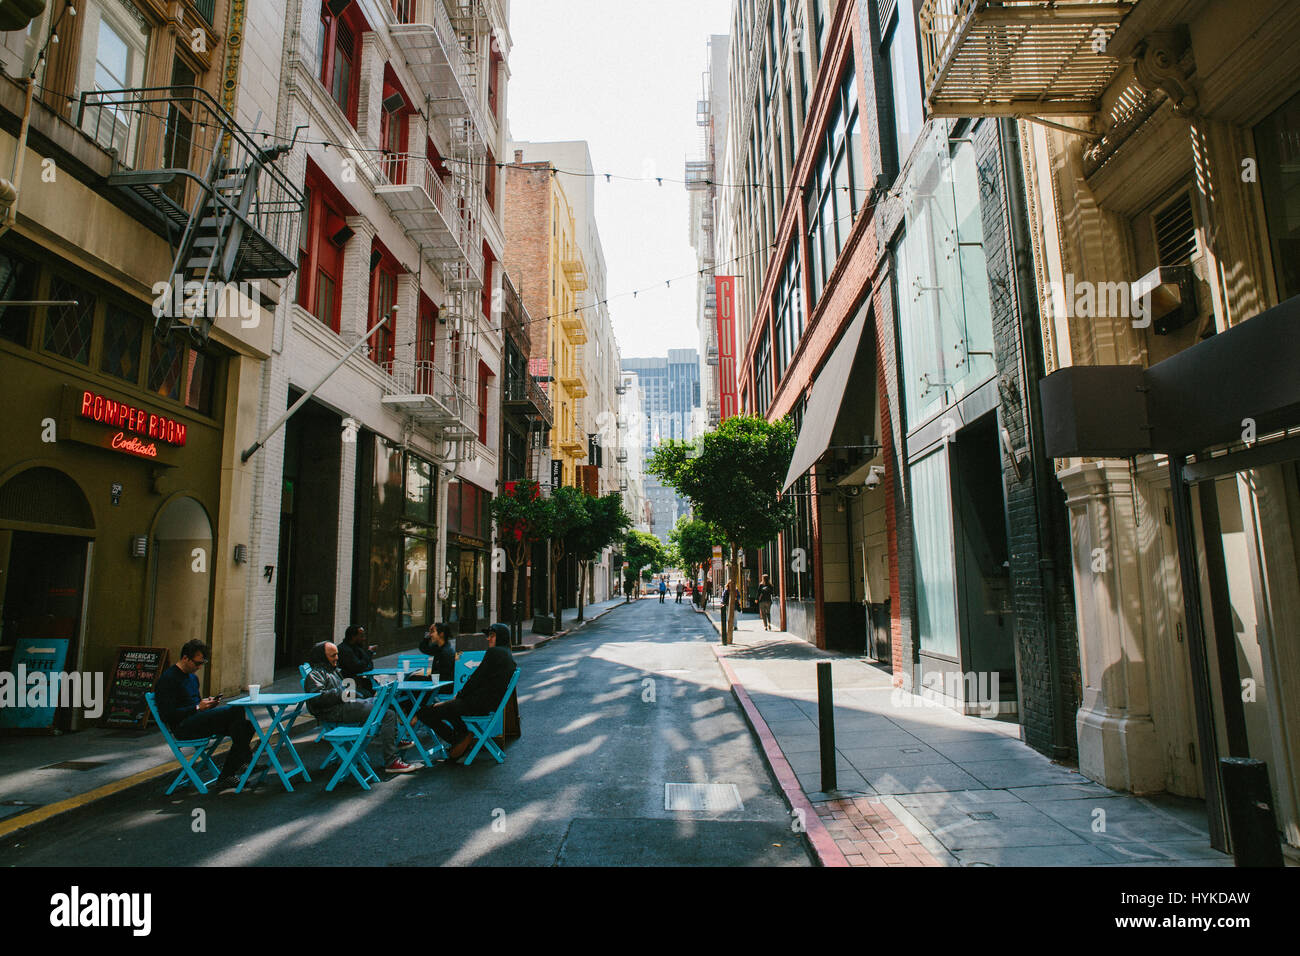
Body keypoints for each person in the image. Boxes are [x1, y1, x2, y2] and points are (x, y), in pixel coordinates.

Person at [154, 639, 256, 789]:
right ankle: (244, 761)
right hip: (183, 726)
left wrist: (207, 704)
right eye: (197, 663)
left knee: (245, 725)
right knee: (236, 710)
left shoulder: (192, 678)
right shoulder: (168, 679)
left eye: (203, 663)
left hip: (197, 720)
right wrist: (197, 708)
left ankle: (229, 773)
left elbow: (195, 704)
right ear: (185, 658)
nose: (199, 667)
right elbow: (167, 715)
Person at [304, 641, 419, 774]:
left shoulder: (332, 670)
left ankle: (393, 742)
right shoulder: (315, 675)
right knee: (387, 713)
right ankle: (391, 760)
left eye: (337, 654)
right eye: (332, 655)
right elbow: (316, 698)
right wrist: (343, 693)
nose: (336, 658)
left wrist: (353, 693)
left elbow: (343, 691)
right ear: (322, 657)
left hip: (343, 706)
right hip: (334, 711)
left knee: (386, 703)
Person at [416, 625, 517, 761]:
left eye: (492, 635)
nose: (489, 639)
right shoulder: (506, 654)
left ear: (501, 637)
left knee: (424, 713)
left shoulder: (494, 653)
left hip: (477, 705)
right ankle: (461, 737)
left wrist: (460, 694)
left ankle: (457, 739)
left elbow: (476, 678)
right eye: (489, 636)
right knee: (447, 708)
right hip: (486, 704)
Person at [336, 624, 376, 697]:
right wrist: (369, 652)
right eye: (361, 636)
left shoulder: (356, 648)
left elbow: (369, 664)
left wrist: (363, 665)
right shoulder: (344, 650)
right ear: (353, 637)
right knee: (369, 690)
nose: (364, 638)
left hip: (356, 680)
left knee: (373, 684)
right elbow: (359, 666)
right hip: (347, 683)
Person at [418, 622, 457, 687]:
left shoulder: (446, 652)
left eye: (433, 632)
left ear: (441, 634)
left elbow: (443, 677)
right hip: (437, 682)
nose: (431, 635)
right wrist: (427, 635)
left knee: (413, 679)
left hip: (441, 686)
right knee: (412, 678)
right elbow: (424, 648)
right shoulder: (439, 647)